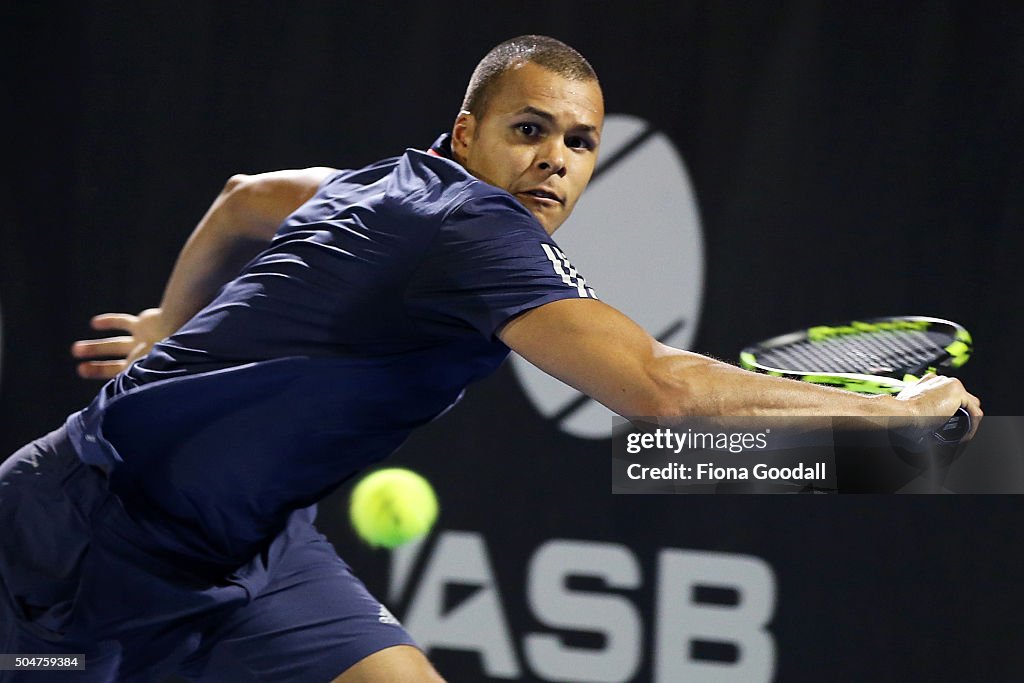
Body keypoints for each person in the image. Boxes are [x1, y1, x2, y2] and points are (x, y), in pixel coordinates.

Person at [0, 35, 981, 682]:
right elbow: (656, 393)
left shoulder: (389, 187)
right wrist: (890, 418)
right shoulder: (472, 231)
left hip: (254, 547)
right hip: (81, 535)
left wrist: (171, 324)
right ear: (469, 134)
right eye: (529, 129)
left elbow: (244, 195)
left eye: (581, 141)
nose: (556, 156)